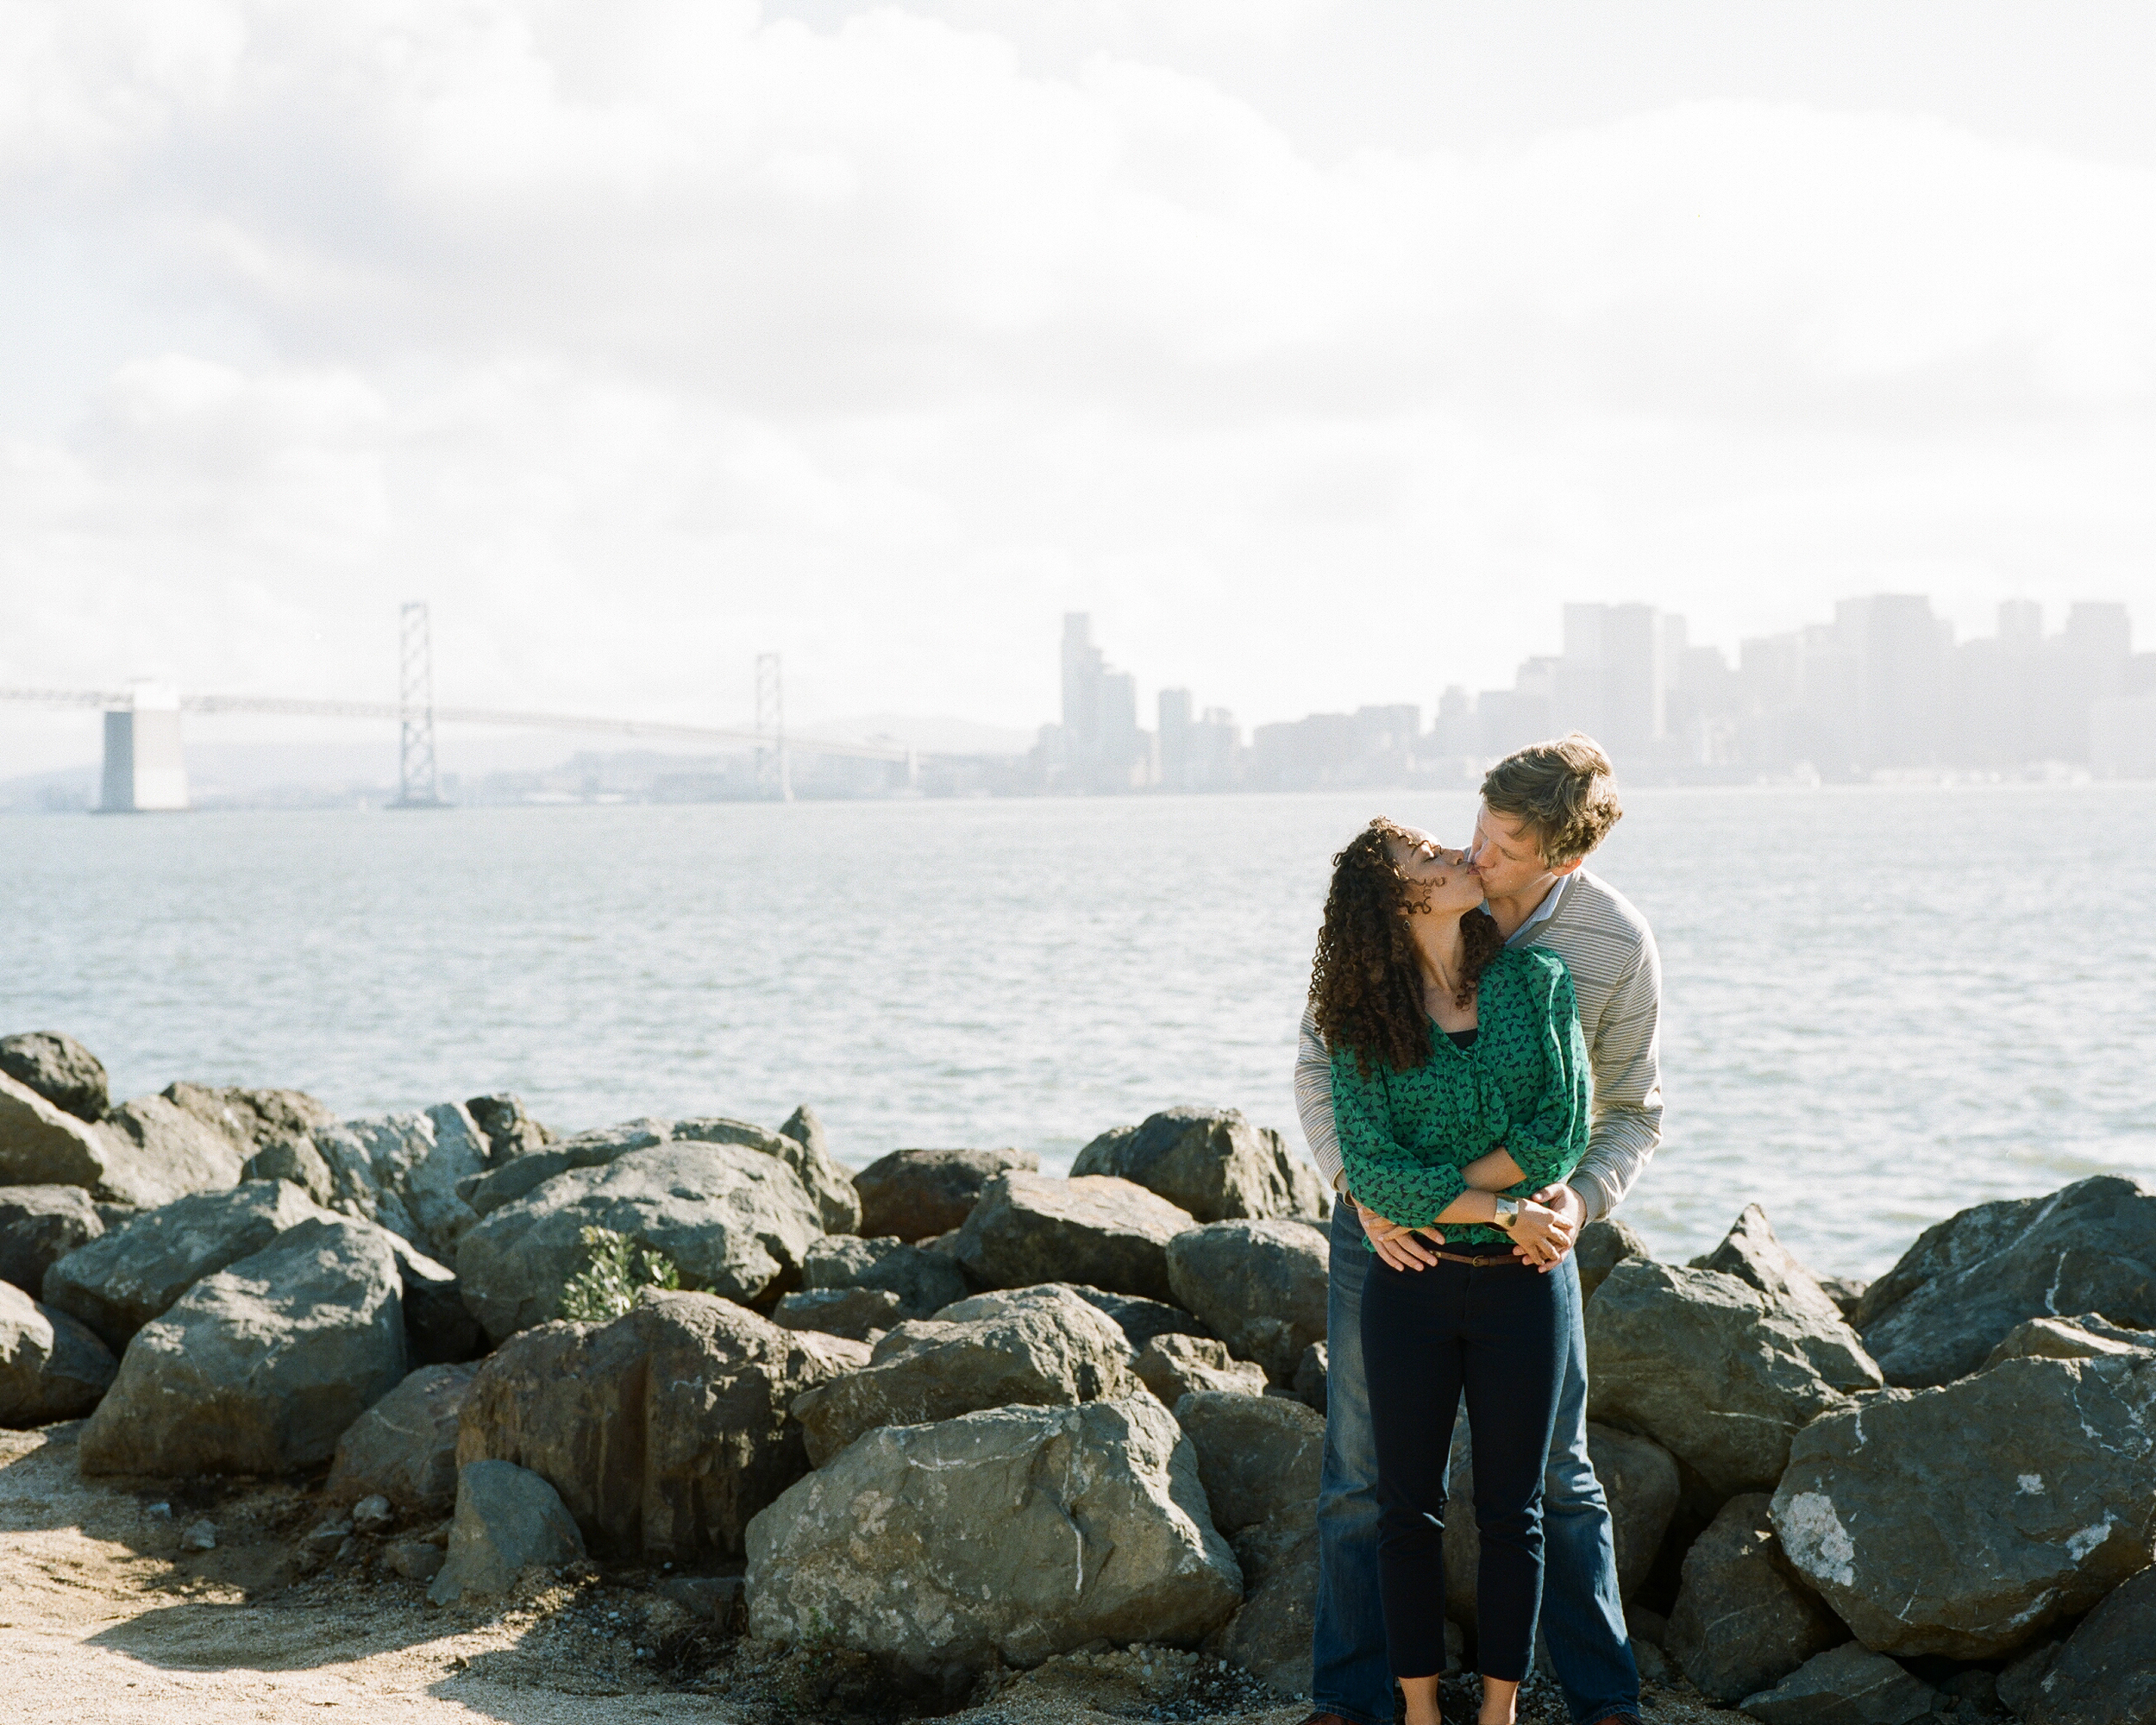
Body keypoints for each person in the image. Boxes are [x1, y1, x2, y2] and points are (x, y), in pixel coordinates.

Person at [1297, 734, 1662, 1725]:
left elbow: (1627, 1108)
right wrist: (1369, 1189)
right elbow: (1317, 1069)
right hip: (1383, 1229)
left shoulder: (1604, 944)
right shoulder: (1390, 913)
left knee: (1559, 1473)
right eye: (1475, 830)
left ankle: (1599, 1695)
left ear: (1564, 856)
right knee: (1360, 1468)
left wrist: (1569, 1202)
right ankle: (1353, 1694)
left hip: (1531, 1231)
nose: (1477, 856)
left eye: (1502, 844)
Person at [1315, 816, 1590, 1725]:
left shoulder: (1536, 981)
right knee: (1406, 1508)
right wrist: (1499, 1203)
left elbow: (1561, 1132)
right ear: (1397, 900)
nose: (1453, 856)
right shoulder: (1359, 1023)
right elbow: (1371, 1169)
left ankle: (1501, 1711)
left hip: (1524, 1277)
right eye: (1427, 857)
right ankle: (1421, 1711)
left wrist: (1446, 1196)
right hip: (1412, 1285)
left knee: (1516, 1506)